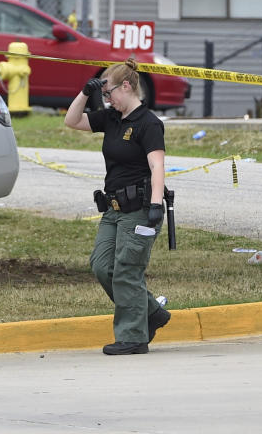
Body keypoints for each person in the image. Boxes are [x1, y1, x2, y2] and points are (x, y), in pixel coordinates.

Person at [64, 58, 171, 355]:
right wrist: (85, 93)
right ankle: (151, 312)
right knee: (101, 265)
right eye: (103, 96)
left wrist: (155, 206)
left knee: (126, 270)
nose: (107, 100)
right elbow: (72, 121)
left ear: (127, 86)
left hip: (138, 207)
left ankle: (133, 337)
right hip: (112, 209)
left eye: (108, 93)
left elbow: (157, 165)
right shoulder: (112, 119)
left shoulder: (148, 123)